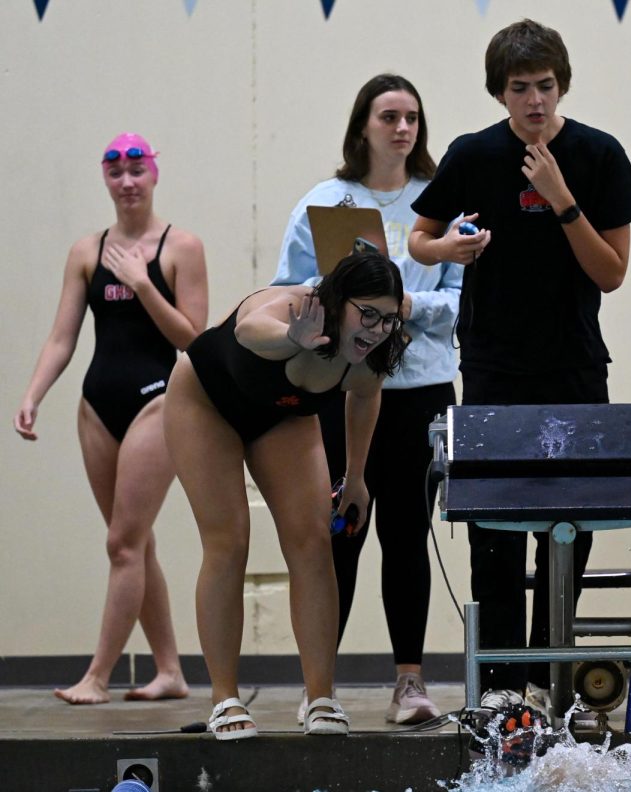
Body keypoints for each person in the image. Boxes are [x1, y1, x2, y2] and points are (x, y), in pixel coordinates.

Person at [408, 18, 631, 713]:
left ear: (562, 84)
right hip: (492, 367)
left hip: (573, 366)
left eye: (545, 85)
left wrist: (561, 197)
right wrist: (446, 251)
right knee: (493, 532)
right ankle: (499, 689)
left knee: (567, 532)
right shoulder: (473, 154)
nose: (535, 101)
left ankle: (555, 680)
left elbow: (611, 274)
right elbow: (419, 240)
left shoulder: (598, 154)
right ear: (500, 93)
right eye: (521, 88)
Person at [273, 73, 461, 725]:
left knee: (407, 532)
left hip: (420, 389)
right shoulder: (325, 202)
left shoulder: (442, 205)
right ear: (362, 126)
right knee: (337, 533)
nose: (403, 128)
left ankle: (409, 681)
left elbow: (468, 300)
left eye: (412, 116)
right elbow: (285, 290)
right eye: (389, 116)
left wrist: (409, 304)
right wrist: (336, 303)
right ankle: (317, 685)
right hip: (340, 387)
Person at [163, 251, 405, 739]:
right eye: (368, 314)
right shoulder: (295, 308)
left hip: (283, 417)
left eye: (389, 318)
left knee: (314, 542)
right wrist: (292, 338)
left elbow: (365, 395)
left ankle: (320, 699)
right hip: (206, 401)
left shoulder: (370, 350)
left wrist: (355, 476)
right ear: (339, 301)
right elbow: (248, 328)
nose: (377, 329)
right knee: (229, 541)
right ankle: (225, 699)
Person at [14, 133, 207, 705]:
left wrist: (143, 283)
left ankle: (97, 676)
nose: (127, 182)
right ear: (106, 179)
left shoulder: (181, 246)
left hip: (158, 400)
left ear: (153, 175)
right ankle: (170, 670)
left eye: (137, 170)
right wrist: (33, 393)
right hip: (97, 407)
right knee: (134, 543)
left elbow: (193, 338)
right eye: (115, 172)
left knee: (122, 543)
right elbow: (62, 337)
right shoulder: (86, 250)